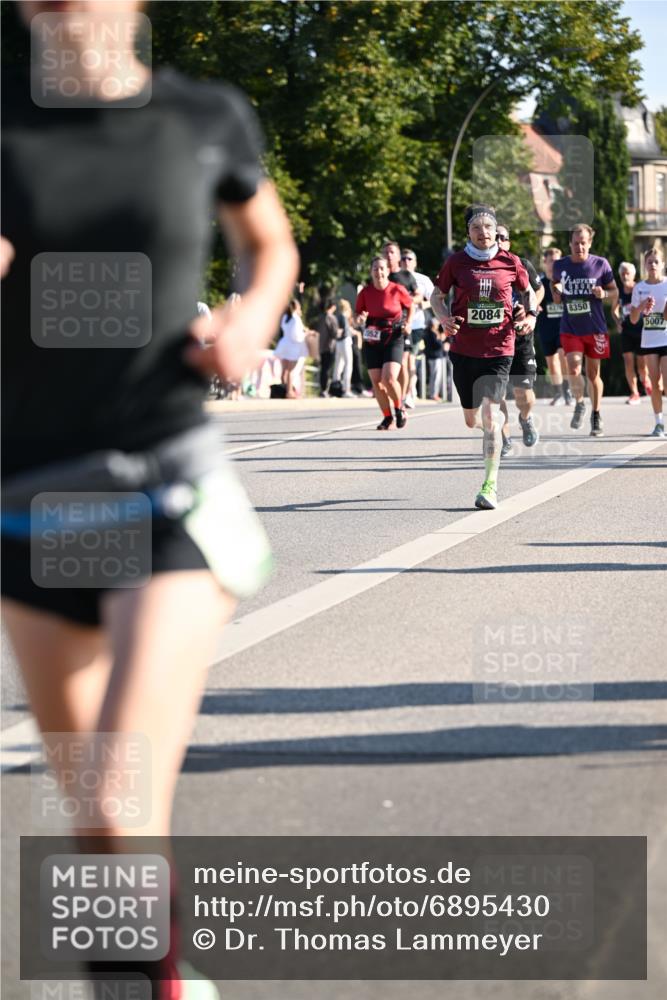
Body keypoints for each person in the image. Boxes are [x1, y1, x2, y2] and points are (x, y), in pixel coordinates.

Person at [1, 4, 299, 999]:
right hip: (32, 502)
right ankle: (150, 980)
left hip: (167, 480)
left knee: (118, 793)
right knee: (97, 822)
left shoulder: (203, 116)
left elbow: (271, 245)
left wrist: (251, 323)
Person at [430, 204, 534, 509]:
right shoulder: (456, 263)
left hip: (499, 349)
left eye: (488, 227)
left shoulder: (510, 261)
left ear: (495, 230)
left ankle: (490, 486)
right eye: (476, 228)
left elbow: (528, 293)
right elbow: (437, 296)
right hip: (464, 349)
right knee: (471, 420)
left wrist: (529, 315)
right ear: (468, 232)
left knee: (490, 417)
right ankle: (496, 424)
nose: (483, 232)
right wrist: (445, 319)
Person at [551, 224, 618, 437]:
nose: (579, 247)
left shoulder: (601, 264)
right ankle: (580, 403)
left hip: (595, 328)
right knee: (573, 368)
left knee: (593, 374)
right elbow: (555, 294)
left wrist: (603, 295)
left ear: (589, 243)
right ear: (569, 244)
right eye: (576, 243)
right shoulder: (560, 265)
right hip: (570, 327)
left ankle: (596, 414)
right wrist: (556, 290)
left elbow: (614, 291)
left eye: (583, 243)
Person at [495, 224, 543, 457]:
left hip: (521, 335)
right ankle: (504, 438)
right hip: (493, 339)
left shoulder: (521, 263)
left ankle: (525, 417)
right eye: (494, 237)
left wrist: (529, 308)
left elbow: (539, 290)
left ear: (509, 242)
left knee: (524, 394)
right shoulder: (482, 269)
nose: (497, 240)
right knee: (496, 393)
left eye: (502, 237)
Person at [355, 256, 414, 429]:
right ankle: (387, 417)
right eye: (375, 269)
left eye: (382, 268)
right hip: (373, 338)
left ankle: (399, 408)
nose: (379, 272)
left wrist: (408, 323)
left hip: (393, 336)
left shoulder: (397, 289)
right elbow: (358, 313)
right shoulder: (365, 292)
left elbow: (410, 306)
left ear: (388, 271)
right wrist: (359, 318)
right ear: (371, 272)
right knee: (376, 381)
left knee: (388, 378)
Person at [630, 247, 667, 437]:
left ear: (663, 264)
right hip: (650, 341)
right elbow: (634, 319)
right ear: (644, 265)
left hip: (666, 338)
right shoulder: (639, 288)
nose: (652, 265)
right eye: (649, 262)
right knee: (656, 384)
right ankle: (659, 423)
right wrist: (643, 305)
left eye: (656, 261)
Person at [382, 241, 419, 406]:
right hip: (382, 326)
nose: (389, 256)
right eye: (386, 253)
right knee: (385, 365)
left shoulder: (406, 276)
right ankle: (393, 396)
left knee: (403, 361)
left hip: (402, 324)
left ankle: (403, 398)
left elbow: (418, 296)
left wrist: (406, 301)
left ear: (397, 256)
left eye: (392, 252)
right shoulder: (380, 275)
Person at [535, 247, 573, 406]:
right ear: (545, 262)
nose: (554, 264)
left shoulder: (565, 282)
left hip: (564, 327)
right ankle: (558, 393)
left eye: (557, 261)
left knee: (563, 355)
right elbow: (533, 300)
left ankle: (567, 391)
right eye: (551, 261)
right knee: (551, 362)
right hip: (546, 327)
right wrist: (535, 306)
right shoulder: (540, 283)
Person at [400, 249, 435, 405]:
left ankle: (408, 392)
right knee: (401, 360)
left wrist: (422, 303)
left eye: (409, 259)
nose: (406, 261)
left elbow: (435, 300)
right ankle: (408, 389)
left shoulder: (423, 279)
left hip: (416, 325)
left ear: (415, 262)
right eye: (404, 259)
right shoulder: (394, 278)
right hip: (398, 325)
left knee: (410, 359)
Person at [614, 261, 652, 404]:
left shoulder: (640, 289)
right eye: (622, 273)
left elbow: (649, 306)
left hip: (641, 331)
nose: (624, 276)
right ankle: (634, 393)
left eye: (627, 273)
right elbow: (614, 310)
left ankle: (646, 381)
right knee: (628, 362)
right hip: (626, 331)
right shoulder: (619, 291)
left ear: (633, 274)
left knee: (642, 366)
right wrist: (618, 322)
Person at [275, 297, 308, 398]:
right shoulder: (295, 318)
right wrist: (306, 334)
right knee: (291, 371)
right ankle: (289, 392)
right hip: (292, 347)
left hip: (284, 345)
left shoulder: (285, 317)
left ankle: (284, 389)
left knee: (284, 371)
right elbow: (297, 336)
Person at [316, 297, 339, 396]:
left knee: (323, 369)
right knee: (327, 369)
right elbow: (334, 333)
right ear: (333, 307)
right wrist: (340, 332)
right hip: (330, 346)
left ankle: (322, 389)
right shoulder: (331, 318)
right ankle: (325, 389)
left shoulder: (321, 317)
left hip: (321, 346)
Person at [333, 299, 355, 397]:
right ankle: (346, 389)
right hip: (345, 341)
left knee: (338, 365)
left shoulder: (337, 317)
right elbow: (345, 331)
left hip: (338, 342)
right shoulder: (343, 317)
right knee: (348, 365)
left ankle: (335, 387)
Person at [424, 316, 447, 401]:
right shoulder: (431, 333)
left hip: (436, 356)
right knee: (436, 376)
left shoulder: (433, 332)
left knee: (435, 376)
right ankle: (434, 394)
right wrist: (441, 339)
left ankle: (433, 393)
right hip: (435, 357)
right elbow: (437, 345)